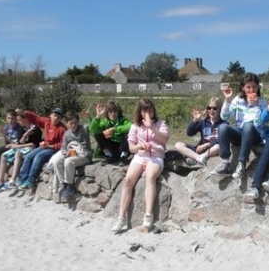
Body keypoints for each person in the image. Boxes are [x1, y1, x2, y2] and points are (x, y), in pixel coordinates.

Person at [112, 98, 169, 233]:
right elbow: (131, 148)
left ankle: (148, 214)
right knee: (128, 181)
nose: (148, 112)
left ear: (153, 110)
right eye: (145, 110)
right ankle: (121, 218)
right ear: (140, 112)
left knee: (150, 177)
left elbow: (165, 139)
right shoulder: (135, 126)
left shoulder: (161, 123)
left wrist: (152, 128)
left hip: (156, 157)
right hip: (140, 156)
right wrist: (140, 146)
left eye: (150, 109)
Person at [211, 73, 268, 180]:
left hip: (255, 134)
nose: (252, 90)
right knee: (223, 127)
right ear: (243, 87)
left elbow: (259, 124)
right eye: (248, 87)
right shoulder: (238, 100)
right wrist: (227, 100)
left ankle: (241, 164)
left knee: (248, 125)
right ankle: (225, 164)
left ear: (258, 87)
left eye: (254, 86)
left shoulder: (263, 102)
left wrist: (255, 105)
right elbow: (225, 117)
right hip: (240, 134)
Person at [0, 112, 42, 195]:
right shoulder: (23, 128)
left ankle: (13, 180)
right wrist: (24, 136)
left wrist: (16, 146)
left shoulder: (35, 129)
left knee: (18, 153)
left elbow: (33, 144)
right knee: (3, 155)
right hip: (21, 147)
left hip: (31, 148)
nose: (18, 122)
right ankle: (0, 182)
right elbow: (20, 142)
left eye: (20, 120)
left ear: (25, 119)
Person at [16, 107, 67, 190]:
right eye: (54, 115)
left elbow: (62, 145)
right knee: (29, 156)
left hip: (53, 149)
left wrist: (50, 146)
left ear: (61, 118)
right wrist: (24, 113)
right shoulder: (47, 121)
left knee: (38, 157)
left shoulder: (62, 129)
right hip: (44, 146)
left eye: (58, 117)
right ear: (50, 115)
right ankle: (22, 180)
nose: (56, 118)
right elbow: (36, 118)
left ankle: (31, 180)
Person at [50, 111, 93, 202]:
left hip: (85, 155)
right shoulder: (67, 134)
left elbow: (92, 125)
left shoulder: (83, 129)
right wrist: (71, 153)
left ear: (78, 122)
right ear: (67, 123)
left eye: (75, 123)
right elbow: (63, 149)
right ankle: (64, 184)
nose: (73, 125)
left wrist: (89, 116)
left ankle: (70, 186)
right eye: (71, 123)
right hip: (73, 154)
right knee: (57, 161)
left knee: (68, 161)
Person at [175, 97, 226, 166]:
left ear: (219, 109)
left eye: (214, 108)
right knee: (178, 145)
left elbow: (221, 139)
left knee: (218, 147)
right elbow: (189, 133)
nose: (211, 110)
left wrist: (205, 145)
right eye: (209, 108)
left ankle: (199, 158)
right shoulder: (204, 122)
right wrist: (195, 120)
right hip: (199, 150)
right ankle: (199, 158)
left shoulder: (224, 124)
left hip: (211, 150)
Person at [89, 100, 131, 164]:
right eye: (110, 112)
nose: (113, 114)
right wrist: (98, 116)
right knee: (97, 134)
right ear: (107, 113)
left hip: (121, 147)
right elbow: (92, 129)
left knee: (127, 134)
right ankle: (108, 155)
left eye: (115, 111)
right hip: (111, 147)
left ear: (118, 112)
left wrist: (115, 129)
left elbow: (130, 126)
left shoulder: (123, 120)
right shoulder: (105, 122)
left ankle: (123, 156)